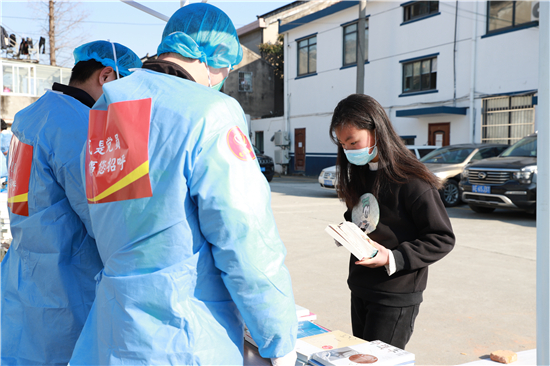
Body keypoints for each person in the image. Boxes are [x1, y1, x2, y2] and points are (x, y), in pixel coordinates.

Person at [70, 4, 297, 366]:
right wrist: (278, 337)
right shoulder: (210, 111)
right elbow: (245, 238)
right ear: (216, 58)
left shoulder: (107, 112)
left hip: (116, 331)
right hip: (184, 336)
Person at [1, 40, 142, 366]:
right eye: (127, 87)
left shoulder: (31, 116)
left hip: (25, 280)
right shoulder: (83, 126)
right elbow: (109, 220)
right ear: (106, 76)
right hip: (67, 293)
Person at [330, 94, 455, 350]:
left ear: (376, 131)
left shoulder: (412, 181)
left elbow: (442, 238)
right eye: (343, 144)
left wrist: (391, 258)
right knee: (361, 359)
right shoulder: (361, 174)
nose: (349, 150)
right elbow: (365, 219)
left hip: (395, 295)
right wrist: (347, 232)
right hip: (362, 287)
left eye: (353, 142)